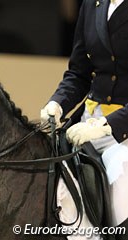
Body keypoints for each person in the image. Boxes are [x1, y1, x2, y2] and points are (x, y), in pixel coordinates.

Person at [40, 0, 128, 236]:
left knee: (122, 191)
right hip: (86, 122)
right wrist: (58, 102)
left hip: (122, 133)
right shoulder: (92, 4)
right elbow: (79, 72)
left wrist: (109, 126)